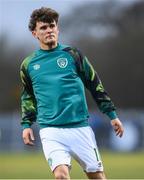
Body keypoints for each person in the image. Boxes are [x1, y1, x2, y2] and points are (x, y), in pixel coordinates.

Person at [20, 7, 124, 180]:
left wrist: (112, 115)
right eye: (43, 28)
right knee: (61, 176)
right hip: (51, 130)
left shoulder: (73, 55)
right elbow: (28, 96)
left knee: (97, 177)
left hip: (80, 128)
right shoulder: (28, 64)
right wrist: (26, 125)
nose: (49, 30)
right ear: (35, 33)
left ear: (57, 29)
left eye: (52, 26)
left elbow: (95, 84)